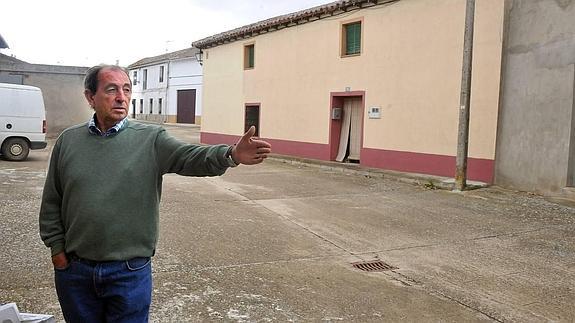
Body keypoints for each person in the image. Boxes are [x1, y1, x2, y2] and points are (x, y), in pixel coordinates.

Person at [39, 64, 271, 323]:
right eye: (111, 89)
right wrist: (57, 251)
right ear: (90, 97)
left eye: (126, 89)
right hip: (75, 270)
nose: (121, 97)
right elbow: (52, 199)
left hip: (129, 272)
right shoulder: (69, 141)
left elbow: (190, 157)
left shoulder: (151, 139)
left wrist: (230, 155)